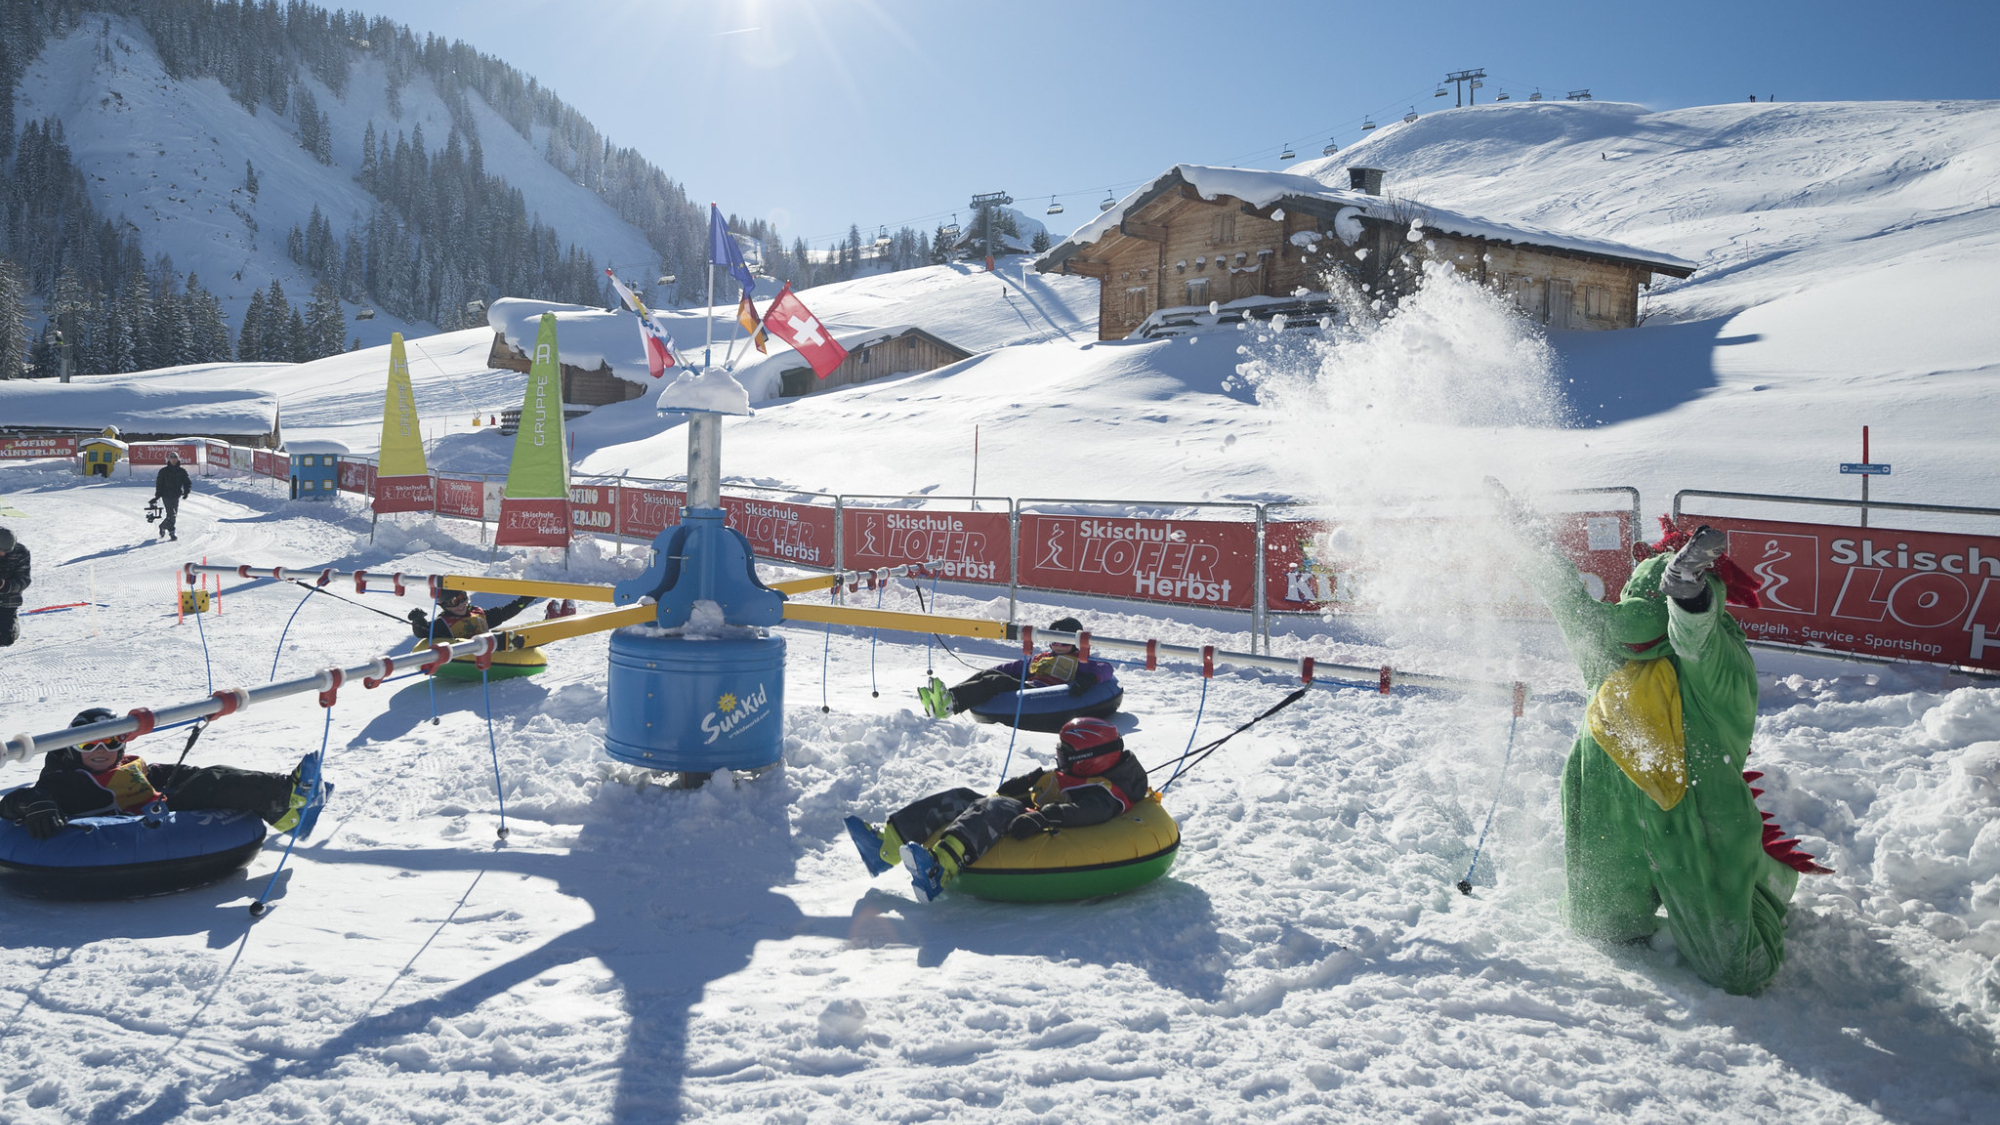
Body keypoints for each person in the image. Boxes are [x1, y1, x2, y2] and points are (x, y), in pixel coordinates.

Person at [1499, 486, 1828, 995]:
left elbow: (1695, 637)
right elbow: (1567, 598)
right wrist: (1527, 537)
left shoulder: (1715, 669)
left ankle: (1760, 890)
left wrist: (1688, 593)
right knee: (1599, 928)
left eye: (1657, 604)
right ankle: (1631, 903)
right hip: (1609, 810)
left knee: (1734, 969)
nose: (1631, 619)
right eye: (1635, 600)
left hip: (1695, 818)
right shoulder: (1611, 653)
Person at [845, 717, 1150, 901]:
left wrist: (1043, 817)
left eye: (1065, 756)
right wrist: (1029, 781)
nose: (1060, 760)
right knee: (962, 796)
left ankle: (939, 870)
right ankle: (885, 845)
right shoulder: (1086, 773)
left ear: (1091, 758)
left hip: (1035, 820)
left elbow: (1088, 812)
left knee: (994, 808)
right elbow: (1036, 787)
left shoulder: (1106, 793)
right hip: (1029, 806)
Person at [0, 707, 330, 841]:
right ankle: (290, 799)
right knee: (208, 783)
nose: (99, 752)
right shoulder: (65, 780)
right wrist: (37, 804)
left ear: (121, 744)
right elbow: (17, 801)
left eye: (110, 741)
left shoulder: (135, 769)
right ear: (74, 749)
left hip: (156, 812)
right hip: (116, 834)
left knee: (213, 777)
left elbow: (186, 777)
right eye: (88, 744)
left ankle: (286, 803)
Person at [918, 616, 1113, 718]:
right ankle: (946, 698)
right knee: (989, 674)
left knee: (994, 681)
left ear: (1076, 644)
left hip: (1044, 693)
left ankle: (952, 703)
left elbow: (1106, 668)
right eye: (1053, 641)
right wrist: (992, 670)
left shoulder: (1080, 660)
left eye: (1062, 642)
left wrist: (1088, 679)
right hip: (1028, 687)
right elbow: (1013, 667)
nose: (1057, 646)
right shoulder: (1041, 657)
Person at [407, 588, 541, 644]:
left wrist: (523, 601)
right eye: (454, 601)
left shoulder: (478, 613)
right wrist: (417, 619)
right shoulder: (444, 623)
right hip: (467, 656)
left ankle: (549, 621)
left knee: (509, 635)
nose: (461, 604)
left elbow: (505, 613)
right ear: (445, 606)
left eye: (462, 598)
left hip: (490, 652)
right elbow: (423, 631)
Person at [153, 451, 193, 541]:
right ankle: (172, 532)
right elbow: (159, 484)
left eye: (175, 458)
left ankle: (163, 526)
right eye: (172, 457)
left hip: (176, 495)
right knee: (171, 514)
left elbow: (187, 482)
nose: (173, 459)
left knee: (173, 514)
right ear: (169, 459)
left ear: (177, 459)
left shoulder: (181, 471)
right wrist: (158, 495)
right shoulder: (163, 471)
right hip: (166, 495)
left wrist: (186, 492)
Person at [0, 526, 27, 647]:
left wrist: (5, 585)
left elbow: (23, 581)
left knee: (5, 639)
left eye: (6, 551)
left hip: (7, 600)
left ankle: (13, 624)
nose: (3, 553)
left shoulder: (21, 554)